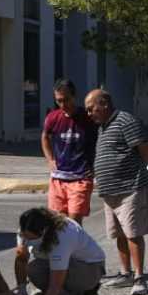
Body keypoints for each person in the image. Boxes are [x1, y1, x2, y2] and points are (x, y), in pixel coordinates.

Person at [84, 88, 148, 295]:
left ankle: (140, 278)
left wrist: (134, 173)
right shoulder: (103, 127)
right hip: (110, 192)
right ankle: (126, 274)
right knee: (119, 234)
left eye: (91, 109)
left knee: (133, 233)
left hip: (129, 189)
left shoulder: (126, 120)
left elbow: (145, 151)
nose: (89, 114)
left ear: (104, 104)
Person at [14, 207, 106, 295]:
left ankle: (77, 294)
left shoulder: (63, 236)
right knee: (34, 269)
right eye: (25, 236)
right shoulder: (26, 228)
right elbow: (21, 258)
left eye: (31, 238)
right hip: (67, 263)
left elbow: (55, 284)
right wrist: (21, 288)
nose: (27, 240)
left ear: (44, 231)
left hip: (90, 268)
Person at [41, 79, 97, 223]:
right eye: (59, 101)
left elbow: (101, 141)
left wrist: (96, 167)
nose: (63, 105)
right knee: (58, 223)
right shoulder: (53, 117)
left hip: (81, 178)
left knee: (73, 225)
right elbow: (45, 137)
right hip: (58, 178)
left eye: (66, 100)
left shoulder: (88, 118)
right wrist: (50, 159)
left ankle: (76, 246)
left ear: (74, 96)